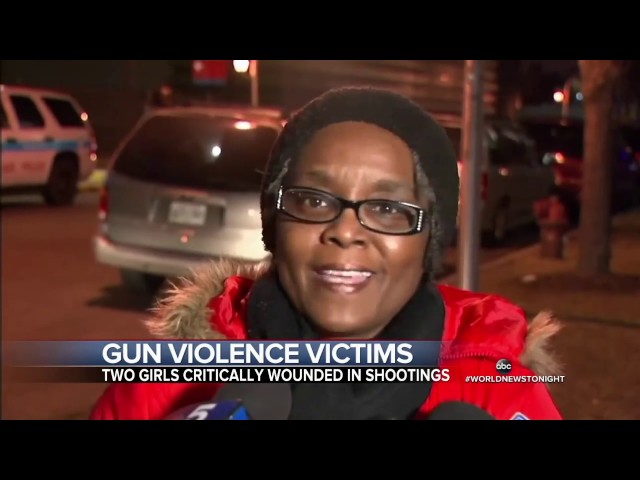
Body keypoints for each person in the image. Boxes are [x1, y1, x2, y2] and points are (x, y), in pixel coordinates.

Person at [90, 86, 563, 420]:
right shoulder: (166, 388)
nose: (345, 231)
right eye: (314, 202)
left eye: (387, 208)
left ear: (429, 240)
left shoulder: (500, 393)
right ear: (275, 224)